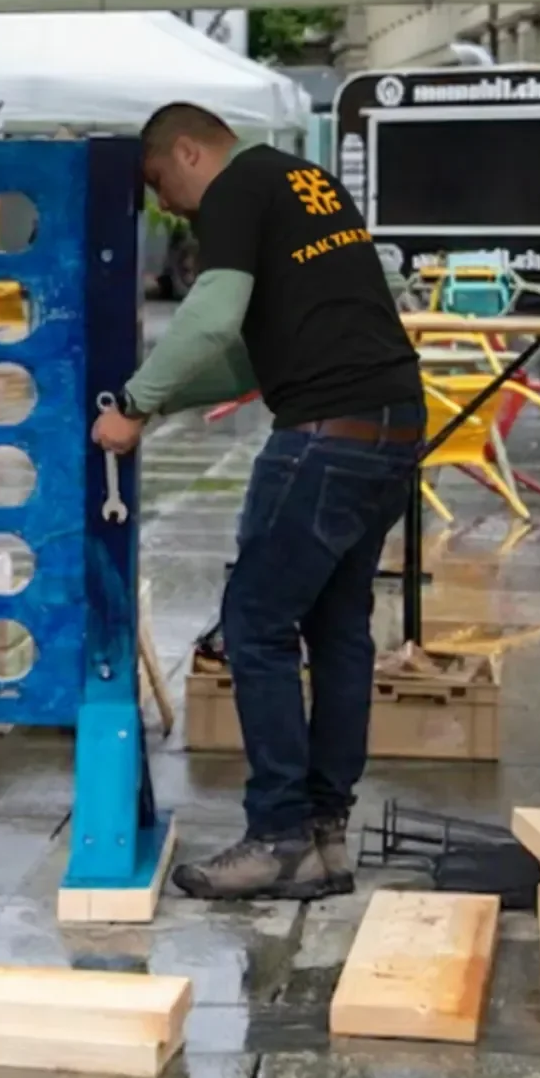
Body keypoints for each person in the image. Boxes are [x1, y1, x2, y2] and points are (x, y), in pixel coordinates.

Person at [94, 103, 424, 902]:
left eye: (157, 181)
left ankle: (276, 839)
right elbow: (247, 354)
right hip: (393, 423)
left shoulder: (238, 187)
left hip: (324, 438)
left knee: (255, 626)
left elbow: (208, 322)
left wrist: (133, 403)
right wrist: (161, 404)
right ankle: (324, 834)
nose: (162, 203)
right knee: (338, 628)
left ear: (187, 151)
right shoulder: (308, 184)